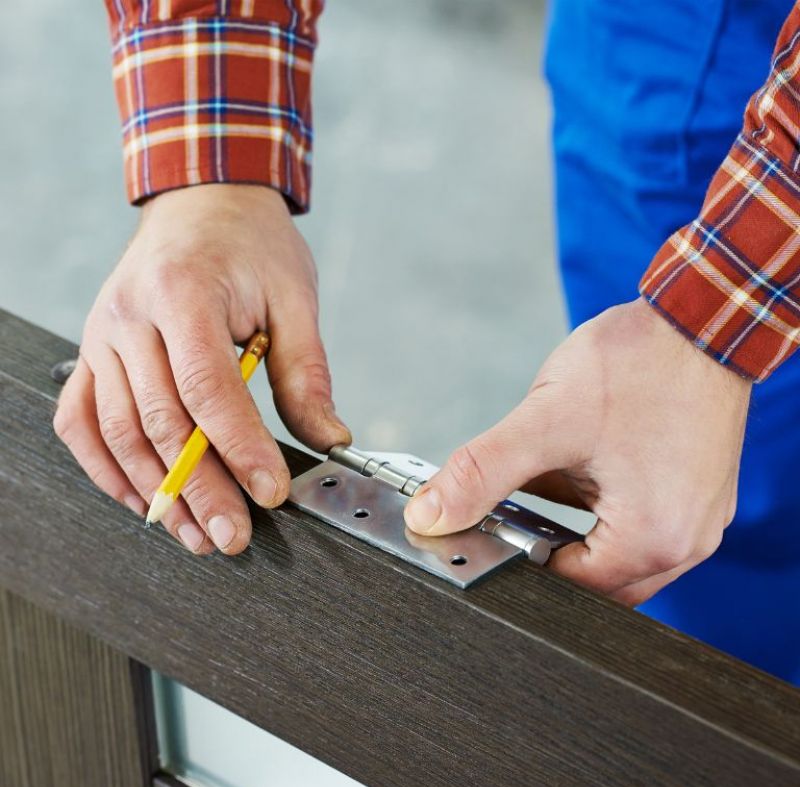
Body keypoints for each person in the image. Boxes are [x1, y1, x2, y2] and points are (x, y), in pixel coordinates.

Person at [54, 1, 798, 683]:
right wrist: (209, 176)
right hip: (663, 40)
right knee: (681, 557)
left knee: (722, 485)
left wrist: (713, 324)